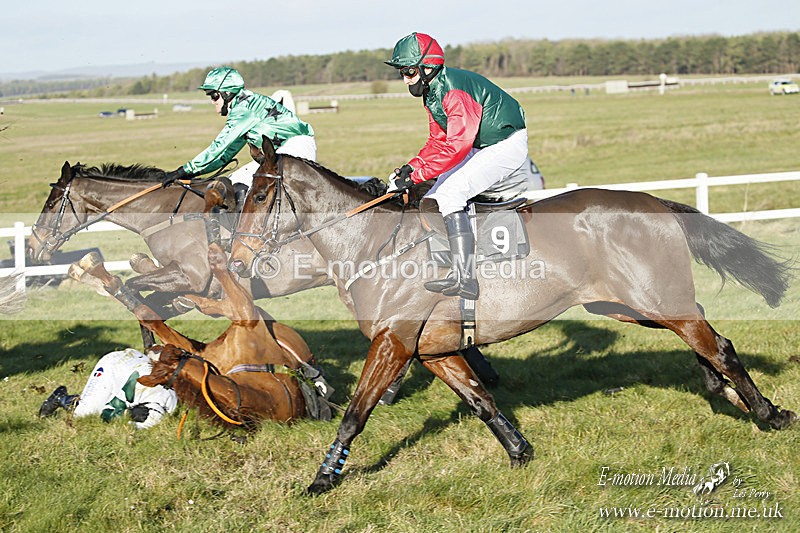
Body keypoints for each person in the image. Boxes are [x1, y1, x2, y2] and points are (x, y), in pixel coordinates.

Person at [385, 32, 533, 300]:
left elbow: (456, 147)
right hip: (481, 144)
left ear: (427, 67)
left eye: (408, 71)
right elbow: (437, 140)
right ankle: (454, 266)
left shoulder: (453, 91)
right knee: (431, 199)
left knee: (451, 194)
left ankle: (467, 277)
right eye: (401, 73)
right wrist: (411, 168)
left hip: (505, 144)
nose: (405, 79)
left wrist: (418, 175)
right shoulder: (431, 93)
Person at [161, 67, 316, 195]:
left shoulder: (242, 110)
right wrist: (193, 174)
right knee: (235, 180)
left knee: (244, 183)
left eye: (214, 96)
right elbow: (226, 155)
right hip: (286, 151)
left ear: (227, 93)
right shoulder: (243, 110)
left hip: (295, 148)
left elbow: (218, 146)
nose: (212, 101)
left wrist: (183, 170)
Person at [38, 348, 178, 430]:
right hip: (113, 363)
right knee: (83, 414)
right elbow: (107, 414)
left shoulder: (171, 404)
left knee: (96, 411)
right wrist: (125, 414)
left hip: (136, 361)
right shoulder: (140, 394)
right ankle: (61, 397)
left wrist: (125, 414)